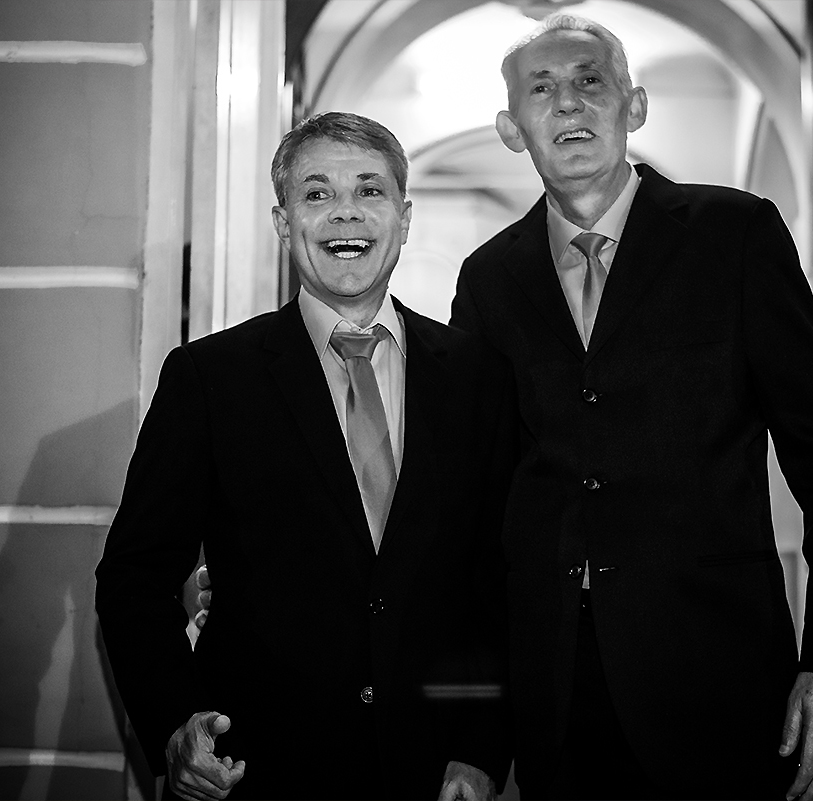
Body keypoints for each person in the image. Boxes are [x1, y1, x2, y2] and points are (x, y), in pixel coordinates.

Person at [447, 14, 813, 800]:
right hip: (557, 695)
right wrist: (478, 737)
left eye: (590, 81)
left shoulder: (735, 234)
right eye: (541, 89)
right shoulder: (488, 280)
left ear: (634, 106)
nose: (568, 103)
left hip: (719, 679)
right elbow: (480, 509)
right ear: (512, 129)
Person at [95, 112, 514, 801]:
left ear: (404, 217)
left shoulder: (477, 377)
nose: (346, 211)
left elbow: (495, 584)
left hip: (431, 770)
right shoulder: (210, 377)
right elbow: (134, 578)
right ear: (283, 223)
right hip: (258, 770)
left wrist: (481, 749)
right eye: (317, 194)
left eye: (370, 190)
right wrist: (176, 726)